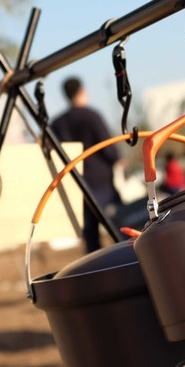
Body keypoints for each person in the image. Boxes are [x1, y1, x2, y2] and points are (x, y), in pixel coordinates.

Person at [51, 76, 122, 253]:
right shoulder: (91, 116)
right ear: (82, 91)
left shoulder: (57, 123)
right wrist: (116, 158)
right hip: (101, 181)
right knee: (119, 225)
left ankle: (97, 271)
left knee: (90, 236)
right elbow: (106, 146)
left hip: (78, 183)